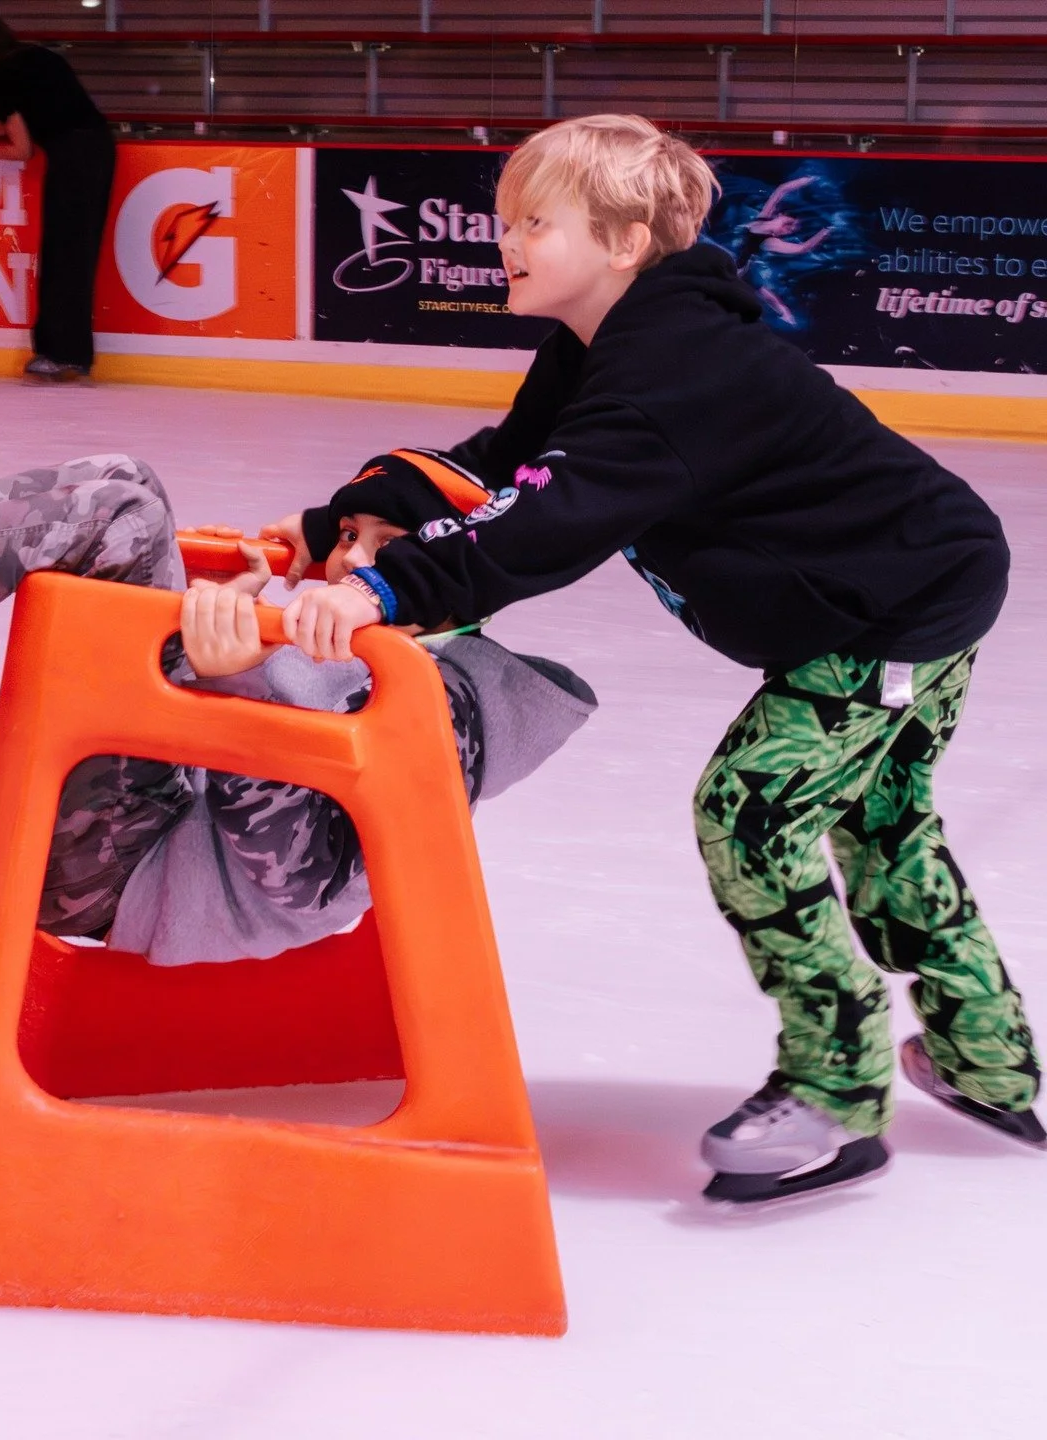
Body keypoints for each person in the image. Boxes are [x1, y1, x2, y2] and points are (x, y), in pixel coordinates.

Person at [261, 113, 1044, 1204]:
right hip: (911, 585)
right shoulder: (601, 347)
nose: (507, 239)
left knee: (752, 815)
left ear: (625, 243)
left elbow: (552, 521)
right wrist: (339, 519)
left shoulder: (678, 367)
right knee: (878, 821)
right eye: (504, 218)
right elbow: (511, 468)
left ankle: (836, 1091)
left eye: (538, 220)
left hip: (888, 613)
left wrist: (384, 591)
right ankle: (988, 1059)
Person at [0, 391, 594, 965]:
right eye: (346, 535)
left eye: (383, 548)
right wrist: (246, 645)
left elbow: (309, 887)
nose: (345, 563)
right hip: (155, 809)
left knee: (123, 505)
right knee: (125, 498)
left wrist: (245, 688)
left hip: (131, 877)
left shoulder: (449, 702)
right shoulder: (332, 633)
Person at [0, 13, 116, 383]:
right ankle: (68, 352)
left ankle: (61, 352)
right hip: (96, 148)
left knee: (64, 255)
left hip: (74, 157)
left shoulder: (0, 77)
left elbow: (21, 148)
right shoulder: (33, 58)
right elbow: (7, 123)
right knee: (74, 254)